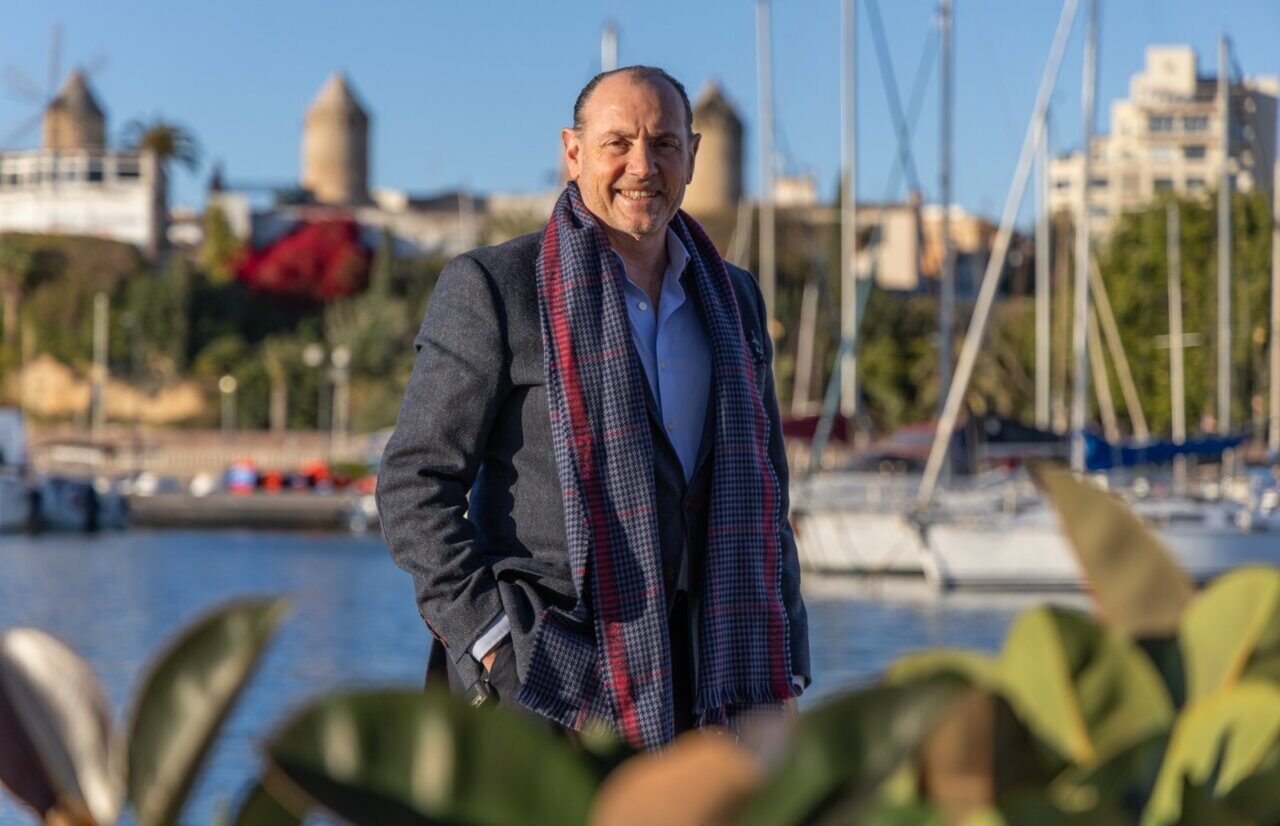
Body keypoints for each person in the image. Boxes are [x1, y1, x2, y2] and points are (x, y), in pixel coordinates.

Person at [377, 66, 809, 750]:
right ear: (573, 153)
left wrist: (786, 664)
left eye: (664, 144)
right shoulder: (495, 287)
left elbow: (768, 491)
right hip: (544, 678)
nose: (643, 166)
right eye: (618, 143)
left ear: (694, 154)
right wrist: (492, 642)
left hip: (717, 677)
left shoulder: (736, 298)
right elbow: (413, 484)